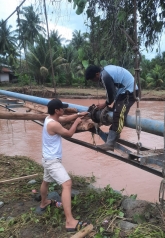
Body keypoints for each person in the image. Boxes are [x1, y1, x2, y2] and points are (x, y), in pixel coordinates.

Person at [40, 98, 89, 232]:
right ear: (57, 110)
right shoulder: (54, 125)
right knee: (67, 184)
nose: (64, 110)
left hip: (46, 157)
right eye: (62, 108)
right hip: (52, 160)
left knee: (46, 180)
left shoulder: (49, 119)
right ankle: (69, 221)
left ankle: (43, 202)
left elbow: (65, 119)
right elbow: (68, 133)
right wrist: (77, 122)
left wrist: (78, 115)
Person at [85, 64, 138, 151]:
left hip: (130, 92)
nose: (94, 81)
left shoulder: (105, 76)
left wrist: (105, 104)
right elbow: (111, 91)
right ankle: (115, 135)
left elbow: (111, 94)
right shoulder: (105, 72)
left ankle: (110, 143)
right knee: (114, 111)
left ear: (97, 74)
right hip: (122, 93)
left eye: (93, 79)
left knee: (118, 114)